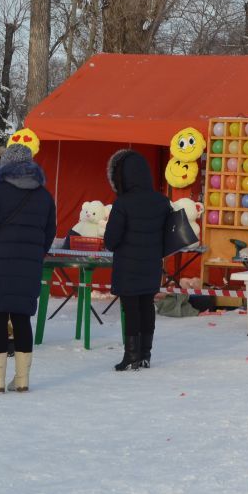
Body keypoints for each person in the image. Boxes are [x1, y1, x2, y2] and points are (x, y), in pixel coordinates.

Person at [0, 143, 55, 393]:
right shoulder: (44, 195)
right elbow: (49, 233)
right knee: (22, 319)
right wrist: (35, 253)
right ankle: (23, 379)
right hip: (27, 267)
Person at [105, 149, 172, 371]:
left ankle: (131, 355)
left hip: (128, 265)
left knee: (131, 309)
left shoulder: (122, 203)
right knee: (147, 306)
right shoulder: (161, 201)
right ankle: (145, 355)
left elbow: (111, 240)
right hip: (152, 264)